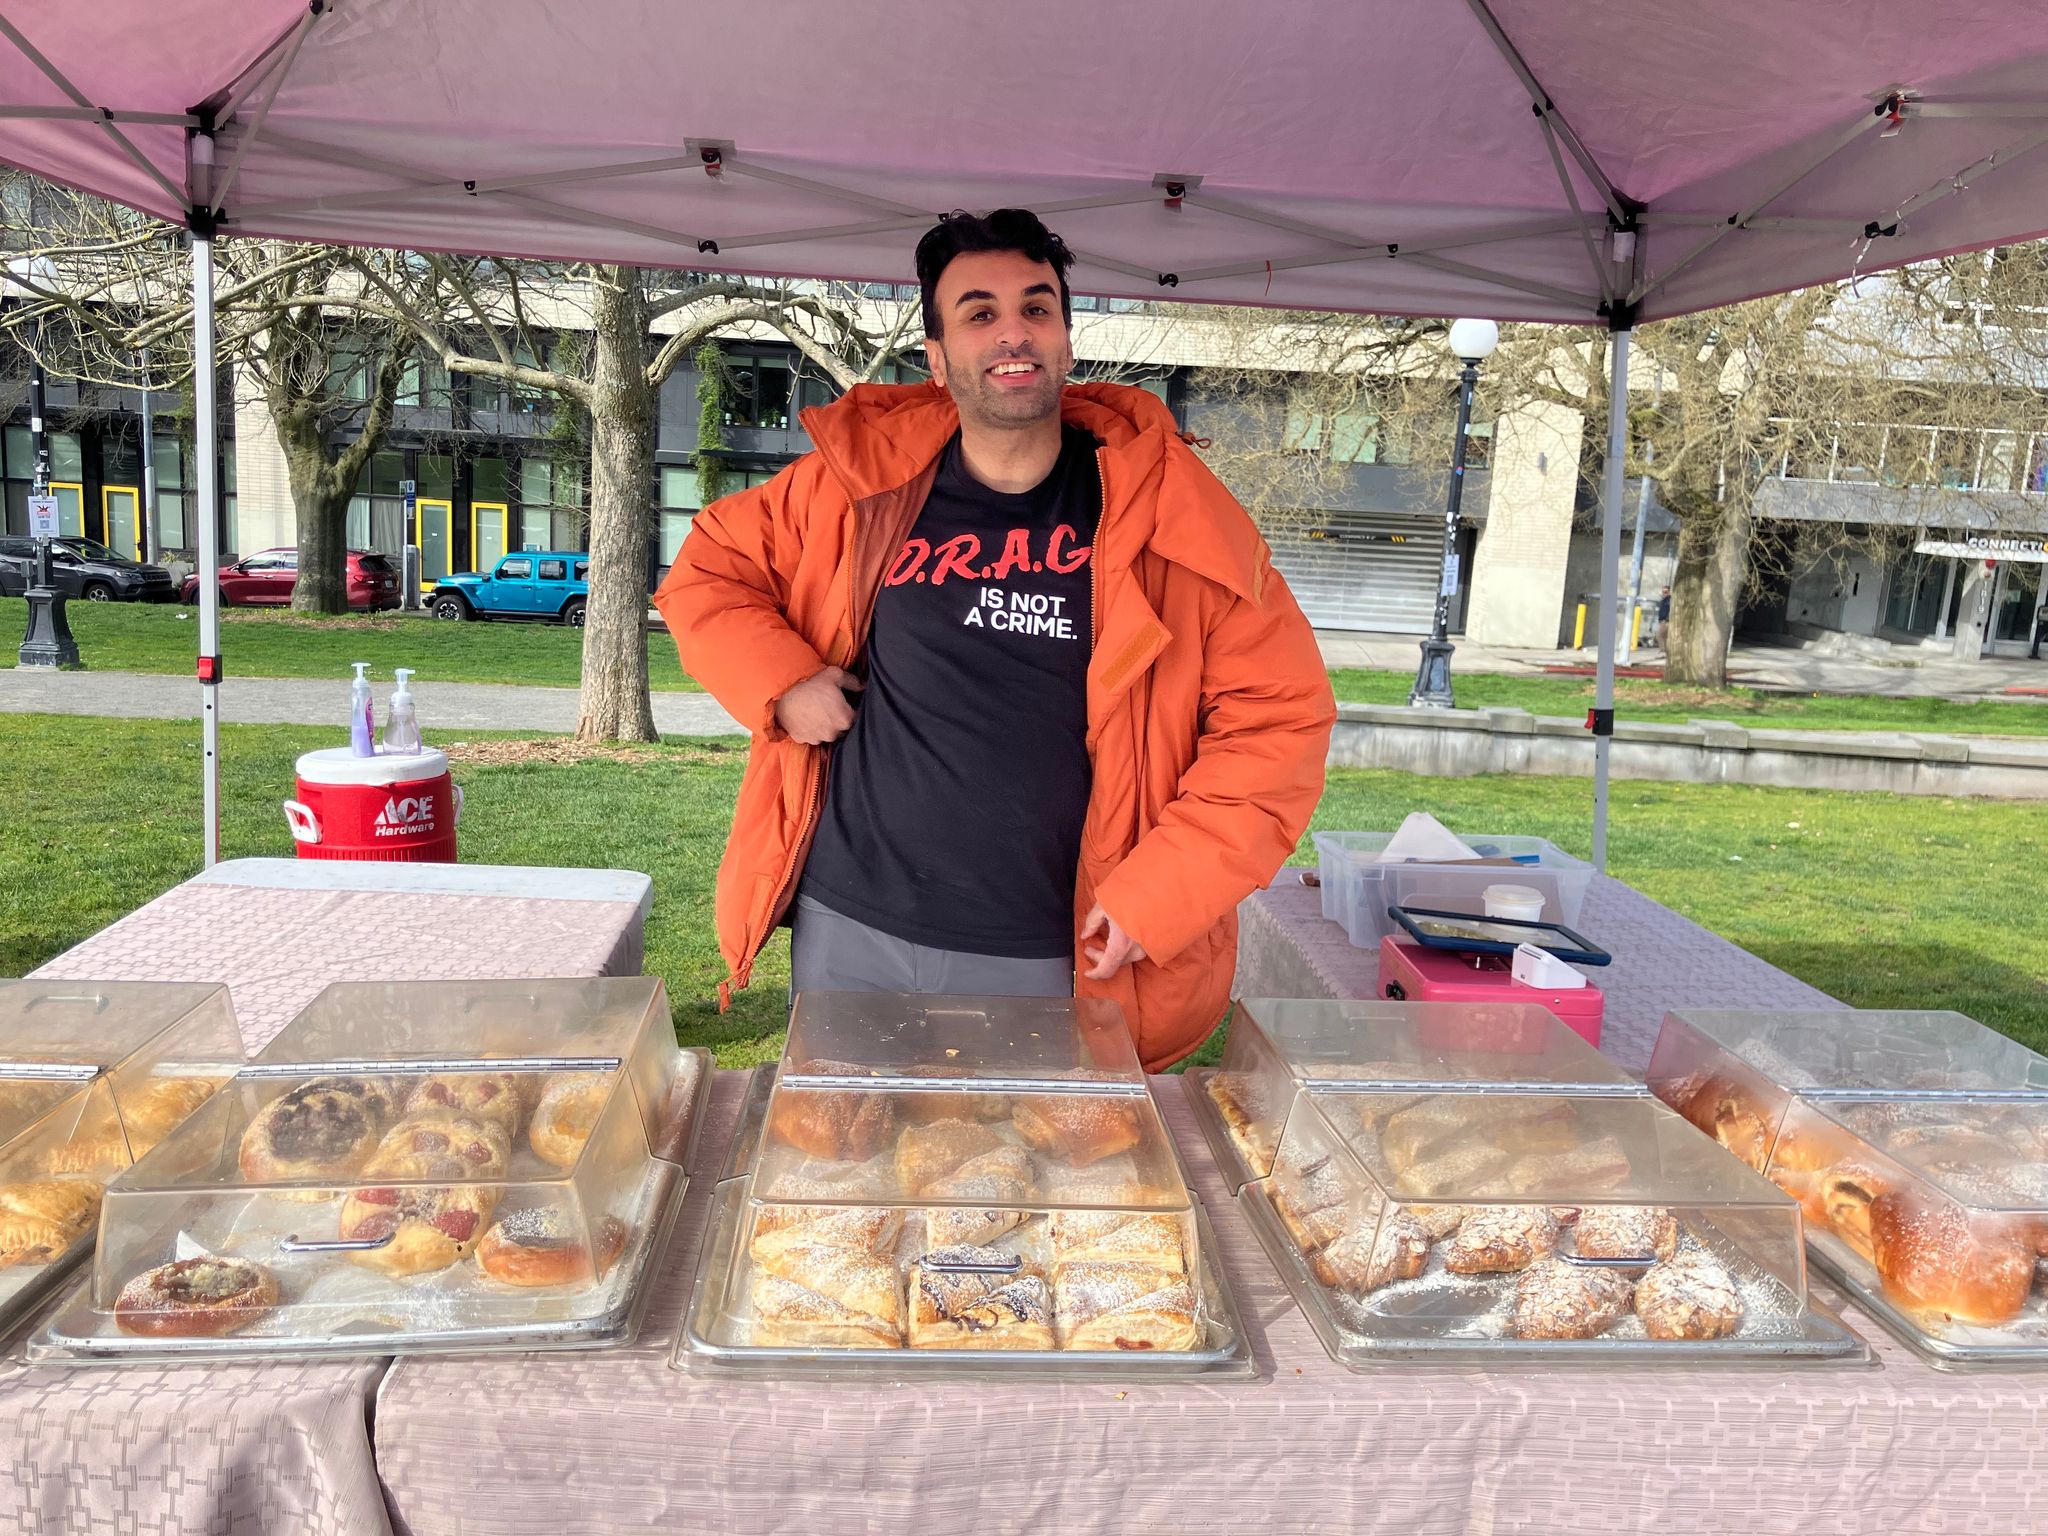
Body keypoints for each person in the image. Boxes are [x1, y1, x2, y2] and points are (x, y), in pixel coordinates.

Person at [657, 208, 1335, 1069]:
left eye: (1037, 307)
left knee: (1028, 1194)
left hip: (1055, 951)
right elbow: (707, 568)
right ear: (938, 359)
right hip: (851, 929)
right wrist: (783, 682)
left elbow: (1279, 722)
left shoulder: (1175, 513)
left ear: (1066, 339)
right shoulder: (858, 488)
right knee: (845, 1176)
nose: (1012, 332)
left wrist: (1160, 896)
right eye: (978, 313)